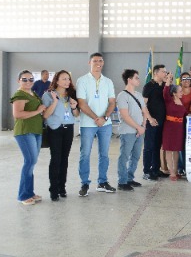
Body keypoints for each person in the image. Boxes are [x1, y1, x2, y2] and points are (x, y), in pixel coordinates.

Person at [76, 53, 117, 197]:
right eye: (95, 61)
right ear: (89, 63)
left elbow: (112, 102)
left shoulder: (108, 82)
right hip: (88, 124)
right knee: (85, 154)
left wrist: (104, 118)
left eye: (100, 60)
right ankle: (84, 183)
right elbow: (82, 103)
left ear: (103, 63)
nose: (98, 63)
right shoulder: (82, 81)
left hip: (106, 124)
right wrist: (96, 118)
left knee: (104, 154)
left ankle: (102, 182)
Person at [42, 70, 79, 201]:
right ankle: (53, 189)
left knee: (64, 159)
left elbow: (76, 114)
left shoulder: (71, 94)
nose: (67, 81)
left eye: (68, 79)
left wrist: (74, 107)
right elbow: (45, 115)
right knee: (56, 159)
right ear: (56, 81)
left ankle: (62, 187)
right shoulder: (48, 95)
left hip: (68, 129)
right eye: (64, 79)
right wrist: (54, 102)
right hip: (55, 129)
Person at [11, 70, 46, 205]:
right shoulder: (19, 94)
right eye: (24, 79)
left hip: (36, 130)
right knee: (30, 161)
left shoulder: (33, 93)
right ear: (18, 81)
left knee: (32, 162)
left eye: (31, 79)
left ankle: (30, 192)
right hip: (25, 131)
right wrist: (38, 111)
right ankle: (23, 195)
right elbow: (18, 114)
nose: (28, 82)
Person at [116, 69, 150, 191]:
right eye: (136, 78)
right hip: (128, 131)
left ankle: (130, 178)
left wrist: (143, 125)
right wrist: (138, 127)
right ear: (129, 80)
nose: (138, 80)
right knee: (124, 156)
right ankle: (122, 181)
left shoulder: (139, 95)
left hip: (140, 131)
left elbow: (144, 111)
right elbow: (125, 116)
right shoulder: (122, 96)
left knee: (135, 156)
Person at [142, 64, 168, 181]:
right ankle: (147, 171)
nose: (165, 74)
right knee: (149, 146)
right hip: (151, 122)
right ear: (156, 73)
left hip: (162, 121)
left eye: (166, 72)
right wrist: (150, 119)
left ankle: (156, 169)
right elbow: (143, 105)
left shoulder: (165, 86)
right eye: (163, 72)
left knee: (157, 146)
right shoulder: (148, 86)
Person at [163, 75, 187, 181]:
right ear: (174, 93)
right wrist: (168, 81)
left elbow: (184, 114)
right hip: (169, 127)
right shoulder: (169, 100)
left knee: (177, 150)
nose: (182, 93)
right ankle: (171, 172)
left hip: (179, 128)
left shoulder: (181, 102)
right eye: (180, 91)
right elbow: (165, 91)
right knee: (169, 149)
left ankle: (176, 170)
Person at [178, 71, 191, 176]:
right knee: (181, 144)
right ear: (181, 81)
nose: (186, 81)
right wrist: (186, 114)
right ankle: (181, 167)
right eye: (184, 79)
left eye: (188, 78)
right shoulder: (177, 91)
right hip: (181, 120)